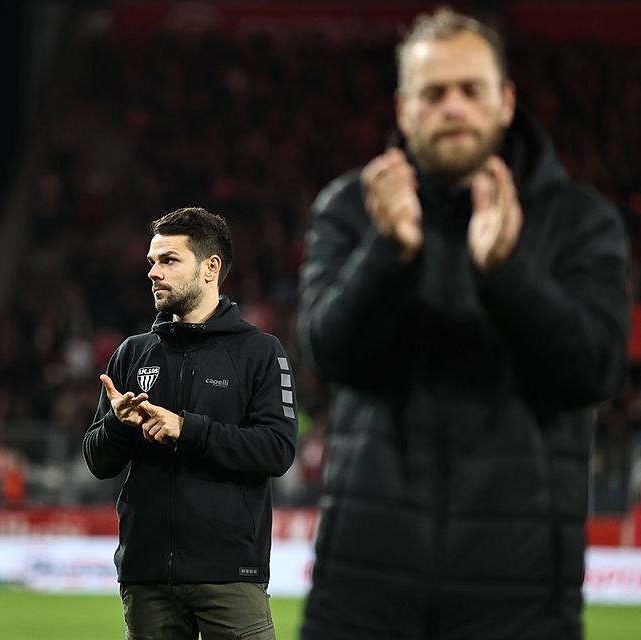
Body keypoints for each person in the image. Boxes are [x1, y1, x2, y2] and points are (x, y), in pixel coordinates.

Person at [295, 6, 631, 640]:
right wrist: (388, 255)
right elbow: (327, 353)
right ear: (404, 108)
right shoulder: (352, 208)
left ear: (505, 102)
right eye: (433, 93)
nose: (452, 107)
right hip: (361, 598)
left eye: (470, 90)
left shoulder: (582, 221)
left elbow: (596, 368)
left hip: (523, 606)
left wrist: (507, 271)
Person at [83, 206, 298, 640]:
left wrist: (189, 429)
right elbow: (97, 461)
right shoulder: (134, 352)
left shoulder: (259, 351)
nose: (154, 273)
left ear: (210, 267)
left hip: (230, 574)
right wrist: (119, 425)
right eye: (152, 262)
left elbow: (277, 449)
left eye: (168, 260)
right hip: (146, 578)